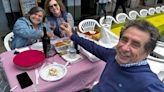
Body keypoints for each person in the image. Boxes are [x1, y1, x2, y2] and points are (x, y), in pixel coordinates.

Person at [60, 20, 164, 92]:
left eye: (135, 44)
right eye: (124, 39)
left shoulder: (149, 84)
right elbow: (93, 47)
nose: (124, 48)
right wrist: (71, 35)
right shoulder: (113, 55)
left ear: (147, 52)